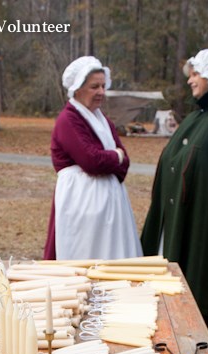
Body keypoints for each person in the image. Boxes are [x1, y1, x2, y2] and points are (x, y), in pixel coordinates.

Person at [141, 49, 208, 327]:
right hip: (176, 210)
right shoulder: (199, 116)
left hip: (198, 213)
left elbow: (207, 171)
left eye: (197, 74)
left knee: (196, 258)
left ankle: (194, 314)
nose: (190, 80)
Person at [43, 56, 142, 261]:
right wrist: (115, 156)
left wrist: (113, 159)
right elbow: (91, 161)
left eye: (103, 86)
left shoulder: (102, 120)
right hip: (81, 203)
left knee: (112, 256)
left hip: (111, 205)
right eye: (94, 86)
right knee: (84, 254)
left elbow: (125, 164)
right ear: (77, 88)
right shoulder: (68, 119)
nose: (101, 92)